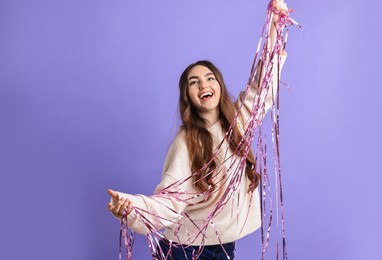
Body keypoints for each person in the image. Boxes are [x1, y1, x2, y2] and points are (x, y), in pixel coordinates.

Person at [108, 1, 289, 259]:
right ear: (189, 97)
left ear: (218, 86)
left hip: (224, 246)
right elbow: (169, 200)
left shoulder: (238, 123)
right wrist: (131, 207)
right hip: (183, 250)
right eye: (194, 82)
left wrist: (273, 26)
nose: (203, 84)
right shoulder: (186, 142)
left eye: (209, 78)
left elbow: (262, 87)